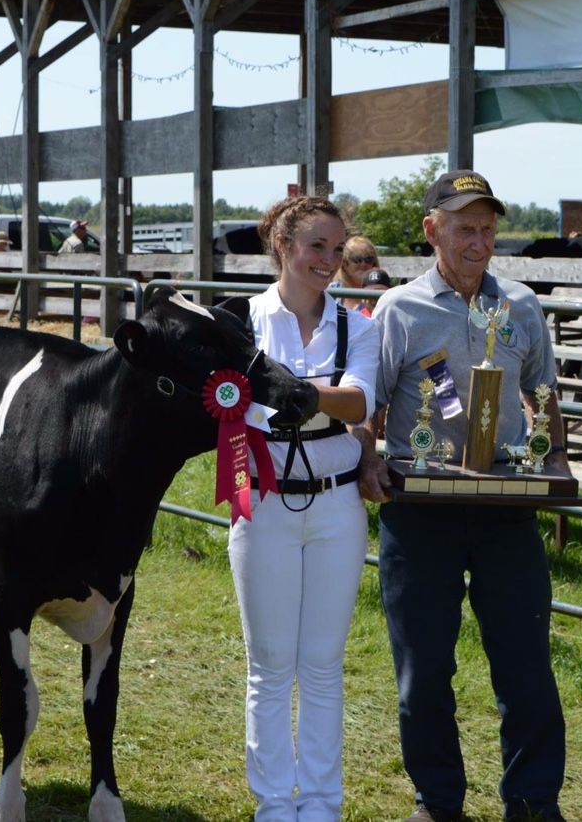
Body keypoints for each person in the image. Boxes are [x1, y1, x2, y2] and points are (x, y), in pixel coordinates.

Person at [356, 170, 568, 822]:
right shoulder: (399, 309)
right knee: (423, 671)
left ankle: (533, 802)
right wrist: (367, 458)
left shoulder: (522, 306)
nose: (478, 242)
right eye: (464, 228)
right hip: (421, 506)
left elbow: (543, 393)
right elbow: (370, 401)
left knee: (526, 663)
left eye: (487, 229)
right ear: (432, 230)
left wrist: (556, 460)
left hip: (505, 505)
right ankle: (437, 801)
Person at [230, 195, 380, 821]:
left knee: (321, 664)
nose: (329, 259)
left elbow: (360, 402)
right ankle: (272, 803)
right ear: (284, 246)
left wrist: (295, 392)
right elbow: (231, 409)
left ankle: (320, 804)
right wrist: (323, 394)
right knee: (268, 664)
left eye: (337, 248)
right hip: (262, 503)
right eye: (317, 245)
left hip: (337, 505)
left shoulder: (359, 326)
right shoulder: (241, 322)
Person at [332, 234, 380, 311]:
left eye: (369, 259)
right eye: (357, 259)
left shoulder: (379, 294)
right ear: (344, 264)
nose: (363, 264)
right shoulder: (332, 291)